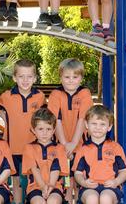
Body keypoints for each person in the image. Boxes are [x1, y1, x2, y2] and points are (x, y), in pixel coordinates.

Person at [0, 59, 47, 204]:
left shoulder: (40, 97)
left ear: (35, 78)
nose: (25, 80)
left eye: (29, 76)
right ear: (14, 77)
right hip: (13, 147)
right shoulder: (6, 96)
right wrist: (3, 118)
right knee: (17, 182)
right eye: (21, 76)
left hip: (34, 148)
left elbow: (45, 118)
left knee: (32, 181)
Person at [47, 58, 93, 203]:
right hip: (61, 143)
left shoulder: (84, 93)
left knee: (79, 178)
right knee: (65, 180)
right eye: (67, 77)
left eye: (75, 77)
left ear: (81, 78)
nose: (71, 81)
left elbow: (82, 119)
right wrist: (65, 145)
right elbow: (56, 120)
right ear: (60, 77)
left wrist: (73, 143)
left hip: (79, 142)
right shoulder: (56, 94)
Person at [73, 105, 126, 204]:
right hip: (89, 187)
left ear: (109, 127)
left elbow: (124, 171)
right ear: (86, 124)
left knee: (105, 198)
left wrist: (116, 182)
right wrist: (84, 182)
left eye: (102, 124)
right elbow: (78, 173)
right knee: (92, 198)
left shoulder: (116, 147)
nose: (98, 128)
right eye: (94, 123)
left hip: (110, 187)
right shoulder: (83, 149)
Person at [21, 108, 69, 204]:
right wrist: (43, 187)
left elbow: (56, 169)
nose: (45, 133)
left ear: (54, 130)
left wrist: (50, 186)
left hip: (55, 186)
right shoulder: (29, 148)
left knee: (53, 201)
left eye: (48, 129)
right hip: (35, 187)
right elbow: (35, 169)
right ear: (33, 130)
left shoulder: (59, 148)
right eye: (40, 129)